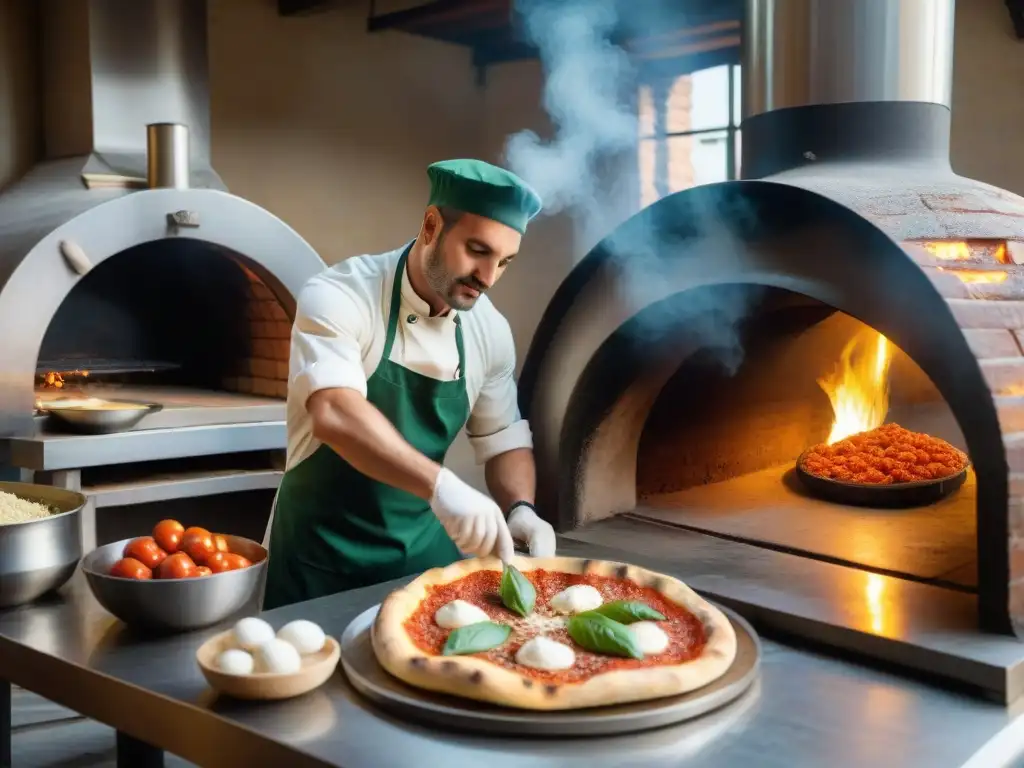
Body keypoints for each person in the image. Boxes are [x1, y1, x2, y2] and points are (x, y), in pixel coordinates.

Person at [261, 159, 557, 609]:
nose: (489, 277)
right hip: (318, 557)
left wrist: (521, 509)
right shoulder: (340, 295)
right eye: (478, 250)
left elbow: (502, 438)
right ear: (431, 225)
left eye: (505, 262)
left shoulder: (489, 332)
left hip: (420, 556)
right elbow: (335, 413)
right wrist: (443, 486)